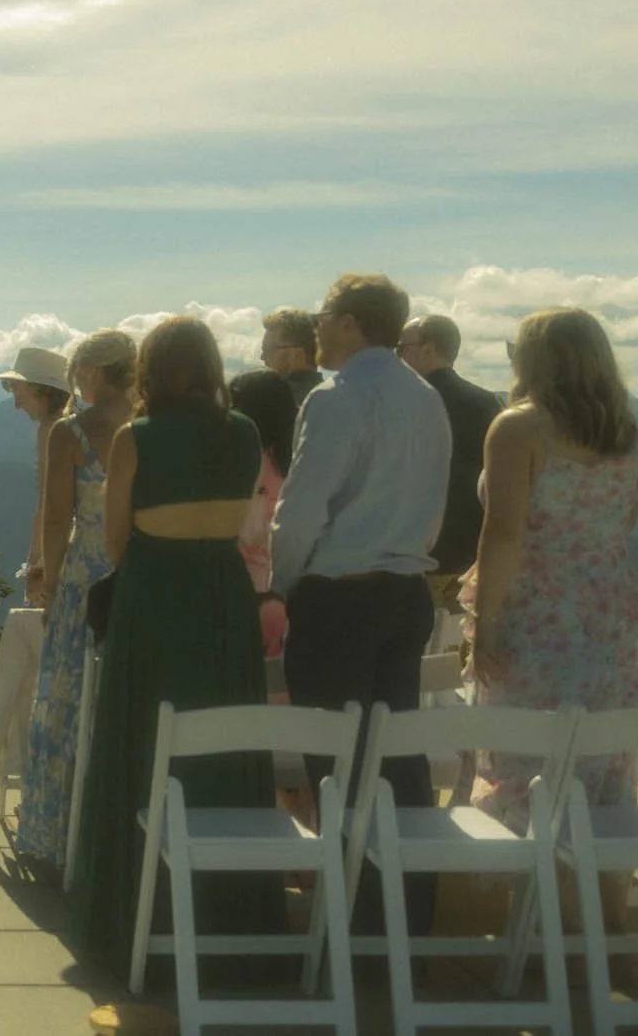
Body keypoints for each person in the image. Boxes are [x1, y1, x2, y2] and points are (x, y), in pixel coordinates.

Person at [68, 317, 280, 963]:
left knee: (140, 739)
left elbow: (115, 540)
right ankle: (228, 914)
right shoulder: (243, 432)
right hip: (224, 592)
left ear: (150, 371)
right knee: (224, 738)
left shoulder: (136, 437)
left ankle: (132, 912)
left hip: (155, 593)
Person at [271, 273, 450, 932]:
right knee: (398, 756)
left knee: (337, 762)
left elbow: (301, 511)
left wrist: (287, 583)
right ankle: (406, 915)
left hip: (339, 597)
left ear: (350, 322)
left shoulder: (336, 397)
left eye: (324, 314)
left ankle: (348, 920)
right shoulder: (425, 397)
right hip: (406, 592)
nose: (317, 325)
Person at [465, 309, 638, 930]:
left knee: (529, 759)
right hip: (608, 611)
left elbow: (504, 531)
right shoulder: (625, 433)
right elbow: (623, 524)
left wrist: (486, 624)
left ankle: (530, 934)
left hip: (537, 611)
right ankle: (599, 930)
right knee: (600, 758)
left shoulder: (519, 427)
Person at [14, 330, 132, 869]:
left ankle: (55, 827)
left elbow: (58, 516)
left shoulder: (71, 432)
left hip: (86, 570)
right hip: (136, 568)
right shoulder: (148, 426)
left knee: (66, 695)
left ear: (92, 372)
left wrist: (50, 581)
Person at [400, 314, 503, 611]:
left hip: (415, 556)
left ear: (428, 349)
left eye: (402, 348)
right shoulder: (487, 403)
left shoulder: (405, 404)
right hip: (469, 556)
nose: (398, 356)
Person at [0, 347, 72, 607]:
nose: (16, 405)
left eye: (19, 394)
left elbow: (48, 503)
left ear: (43, 391)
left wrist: (36, 564)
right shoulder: (79, 424)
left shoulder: (51, 430)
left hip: (63, 547)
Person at [227, 368, 296, 658]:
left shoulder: (242, 463)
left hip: (243, 593)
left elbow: (245, 532)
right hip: (288, 593)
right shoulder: (298, 462)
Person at [260, 308, 323, 406]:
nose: (262, 357)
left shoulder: (271, 402)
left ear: (296, 353)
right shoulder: (332, 397)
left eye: (267, 349)